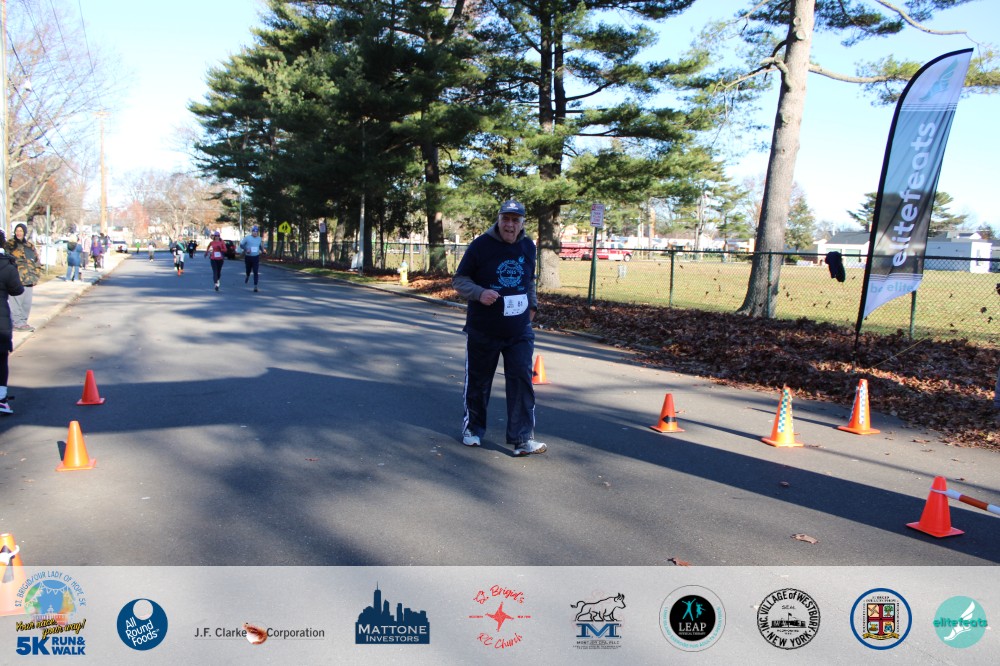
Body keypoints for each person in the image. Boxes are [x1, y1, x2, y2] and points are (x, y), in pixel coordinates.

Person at [452, 199, 545, 457]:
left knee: (522, 381)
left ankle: (522, 439)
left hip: (519, 330)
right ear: (499, 220)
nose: (510, 225)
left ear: (522, 223)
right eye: (506, 219)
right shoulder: (481, 245)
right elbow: (459, 280)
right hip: (484, 328)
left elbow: (529, 280)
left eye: (515, 220)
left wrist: (532, 305)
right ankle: (473, 429)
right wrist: (480, 293)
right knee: (479, 382)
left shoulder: (528, 246)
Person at [0, 231, 25, 414]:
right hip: (0, 319)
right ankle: (1, 398)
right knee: (1, 360)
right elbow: (17, 290)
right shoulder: (7, 266)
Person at [6, 223, 41, 332]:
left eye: (21, 231)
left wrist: (36, 275)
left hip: (29, 280)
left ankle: (23, 322)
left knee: (26, 303)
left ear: (24, 232)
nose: (19, 233)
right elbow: (6, 261)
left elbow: (36, 261)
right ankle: (17, 323)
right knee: (16, 303)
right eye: (17, 231)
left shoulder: (30, 246)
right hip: (16, 279)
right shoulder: (10, 245)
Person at [240, 225, 264, 292]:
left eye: (256, 231)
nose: (255, 233)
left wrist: (262, 250)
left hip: (256, 257)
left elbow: (259, 246)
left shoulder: (259, 239)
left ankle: (255, 286)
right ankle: (247, 275)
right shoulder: (247, 238)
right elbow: (241, 245)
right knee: (248, 270)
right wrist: (246, 249)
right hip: (248, 257)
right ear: (252, 232)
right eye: (254, 231)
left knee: (255, 271)